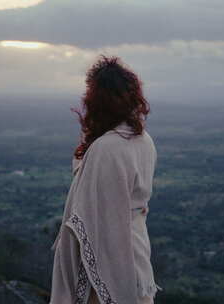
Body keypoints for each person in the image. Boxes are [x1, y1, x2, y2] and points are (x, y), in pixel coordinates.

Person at [49, 55, 162, 304]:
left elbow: (89, 218)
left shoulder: (107, 147)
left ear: (97, 102)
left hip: (109, 253)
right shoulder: (144, 139)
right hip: (136, 247)